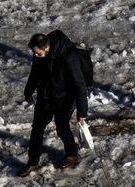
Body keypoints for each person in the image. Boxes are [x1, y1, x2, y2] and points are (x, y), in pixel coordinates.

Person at [18, 29, 89, 177]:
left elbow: (80, 84)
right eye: (34, 53)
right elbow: (35, 72)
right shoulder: (40, 54)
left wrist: (82, 111)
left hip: (65, 98)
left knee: (62, 128)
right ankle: (32, 162)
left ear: (46, 47)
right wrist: (28, 91)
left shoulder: (69, 57)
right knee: (37, 128)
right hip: (46, 96)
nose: (36, 56)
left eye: (38, 53)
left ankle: (72, 153)